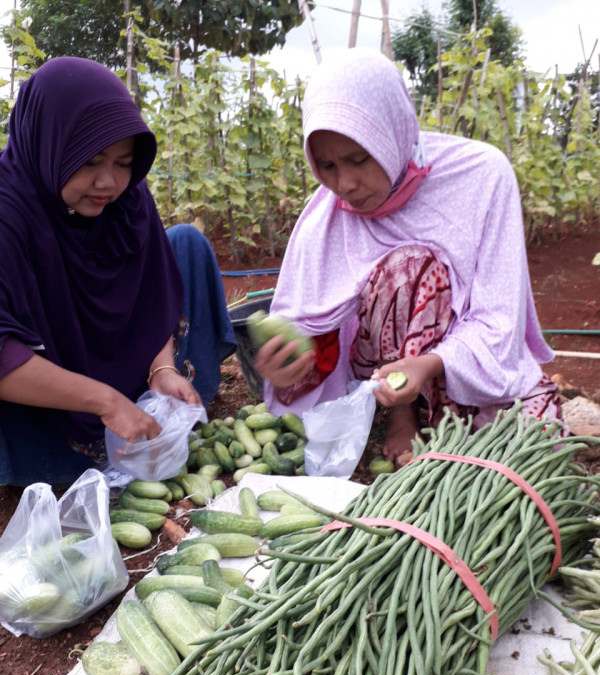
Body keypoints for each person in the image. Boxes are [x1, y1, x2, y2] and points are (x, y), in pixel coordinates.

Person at [256, 47, 563, 465]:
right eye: (326, 165)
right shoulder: (324, 217)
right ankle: (402, 415)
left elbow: (499, 316)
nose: (344, 183)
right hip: (382, 376)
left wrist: (427, 366)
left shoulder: (481, 176)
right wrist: (288, 372)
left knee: (545, 444)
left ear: (392, 134)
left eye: (358, 158)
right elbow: (313, 334)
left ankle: (448, 408)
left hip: (453, 359)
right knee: (408, 267)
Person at [0, 57, 236, 487]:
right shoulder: (8, 211)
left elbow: (151, 294)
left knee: (186, 242)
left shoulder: (126, 200)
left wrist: (160, 370)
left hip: (124, 373)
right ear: (50, 143)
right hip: (48, 401)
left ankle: (153, 408)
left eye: (124, 162)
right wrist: (106, 402)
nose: (109, 182)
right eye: (90, 161)